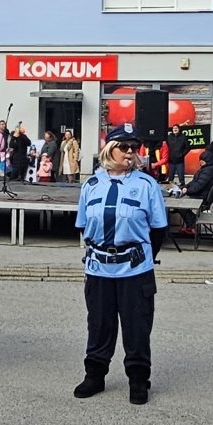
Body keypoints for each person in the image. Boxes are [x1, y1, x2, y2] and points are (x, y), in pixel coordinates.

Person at [72, 123, 169, 405]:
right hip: (99, 269)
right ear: (109, 150)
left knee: (137, 326)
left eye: (134, 147)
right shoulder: (91, 185)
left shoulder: (146, 185)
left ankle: (138, 379)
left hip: (135, 270)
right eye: (123, 147)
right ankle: (95, 375)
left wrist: (141, 256)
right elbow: (83, 225)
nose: (130, 152)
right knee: (98, 324)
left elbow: (158, 229)